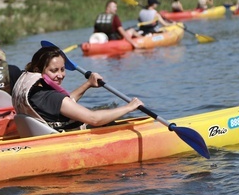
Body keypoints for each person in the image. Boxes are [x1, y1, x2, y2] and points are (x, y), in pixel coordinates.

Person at [12, 46, 143, 132]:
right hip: (66, 141)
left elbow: (64, 104)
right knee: (110, 123)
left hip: (42, 137)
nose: (60, 75)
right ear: (38, 70)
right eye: (54, 70)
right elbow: (94, 119)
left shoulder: (34, 91)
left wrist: (88, 84)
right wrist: (129, 107)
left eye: (62, 69)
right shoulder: (50, 97)